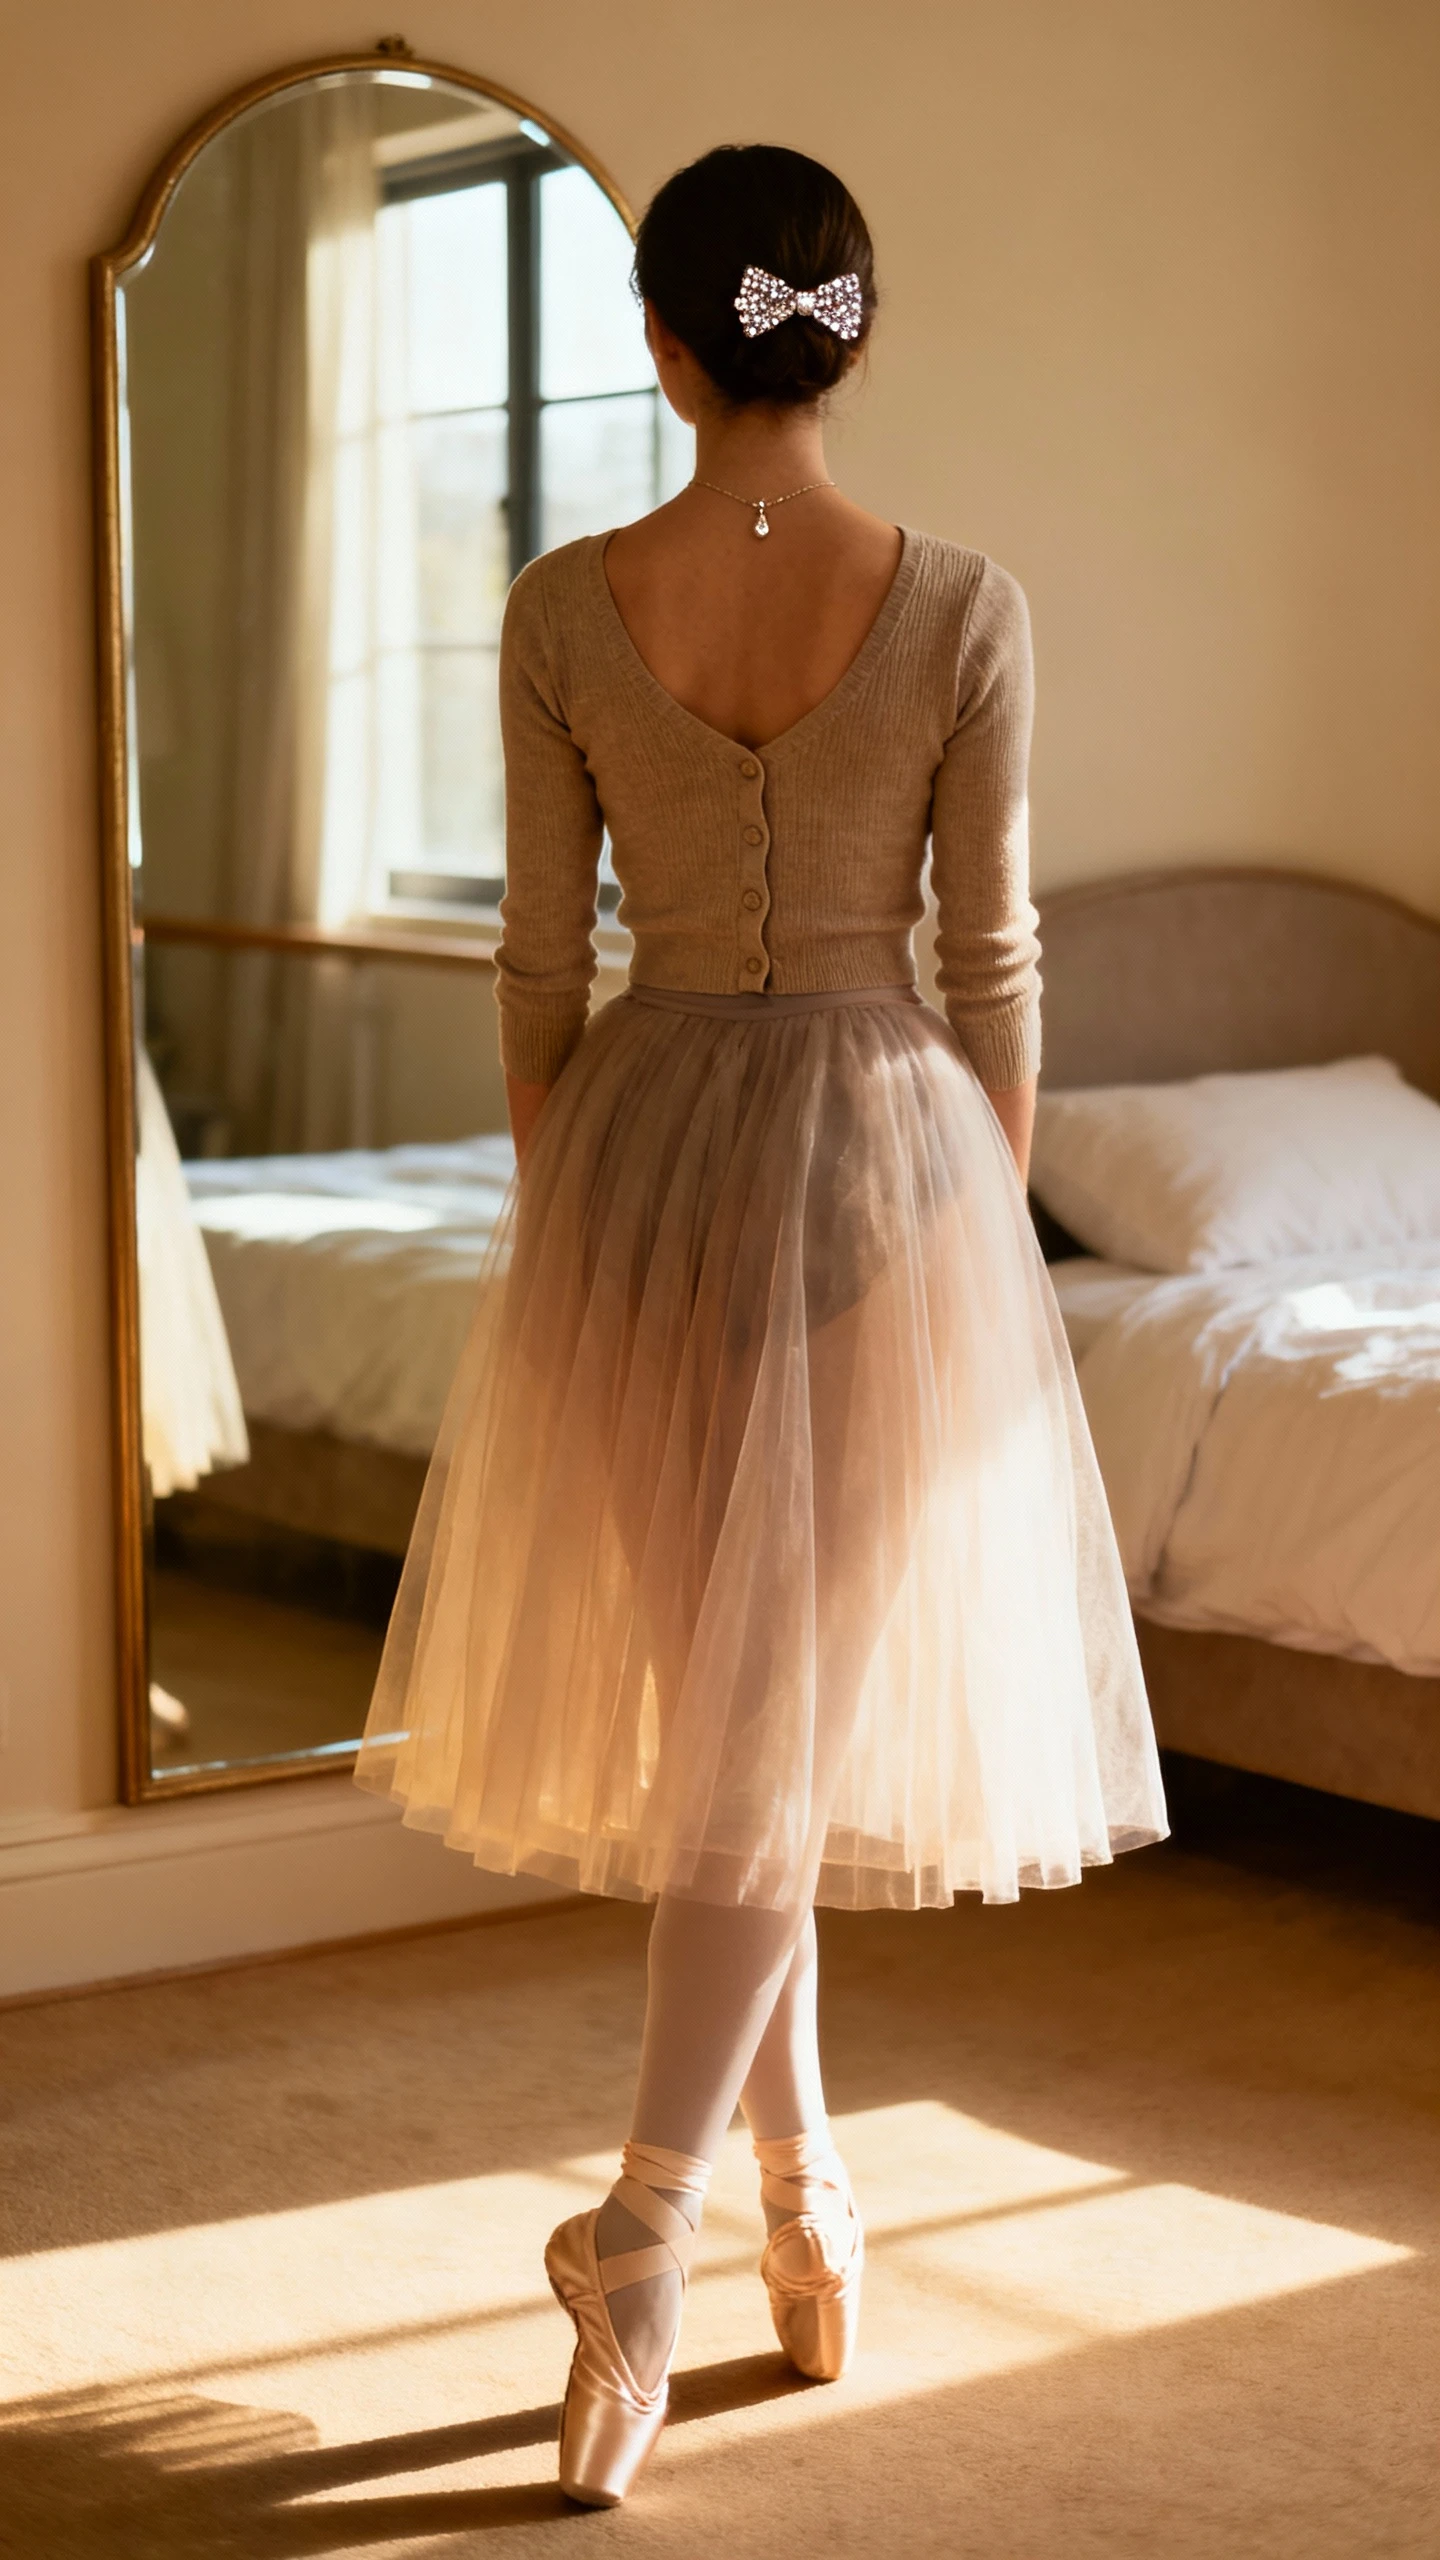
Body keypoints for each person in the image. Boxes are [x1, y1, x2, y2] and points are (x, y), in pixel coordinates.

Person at [355, 141, 1167, 2507]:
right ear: (854, 333)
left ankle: (796, 2199)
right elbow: (998, 963)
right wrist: (968, 1223)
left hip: (630, 1148)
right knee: (765, 1724)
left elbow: (531, 969)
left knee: (750, 1724)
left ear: (662, 339)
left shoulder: (557, 606)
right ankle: (659, 2217)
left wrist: (574, 1182)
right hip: (885, 1144)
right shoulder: (968, 602)